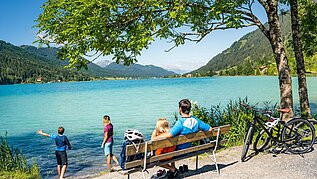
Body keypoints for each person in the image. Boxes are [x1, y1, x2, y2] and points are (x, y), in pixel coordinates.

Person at [152, 99, 212, 177]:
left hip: (177, 152)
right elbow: (210, 129)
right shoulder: (195, 120)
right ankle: (173, 169)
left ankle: (172, 169)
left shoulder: (180, 123)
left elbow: (169, 135)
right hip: (188, 149)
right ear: (189, 109)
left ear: (180, 109)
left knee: (161, 152)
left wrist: (155, 138)